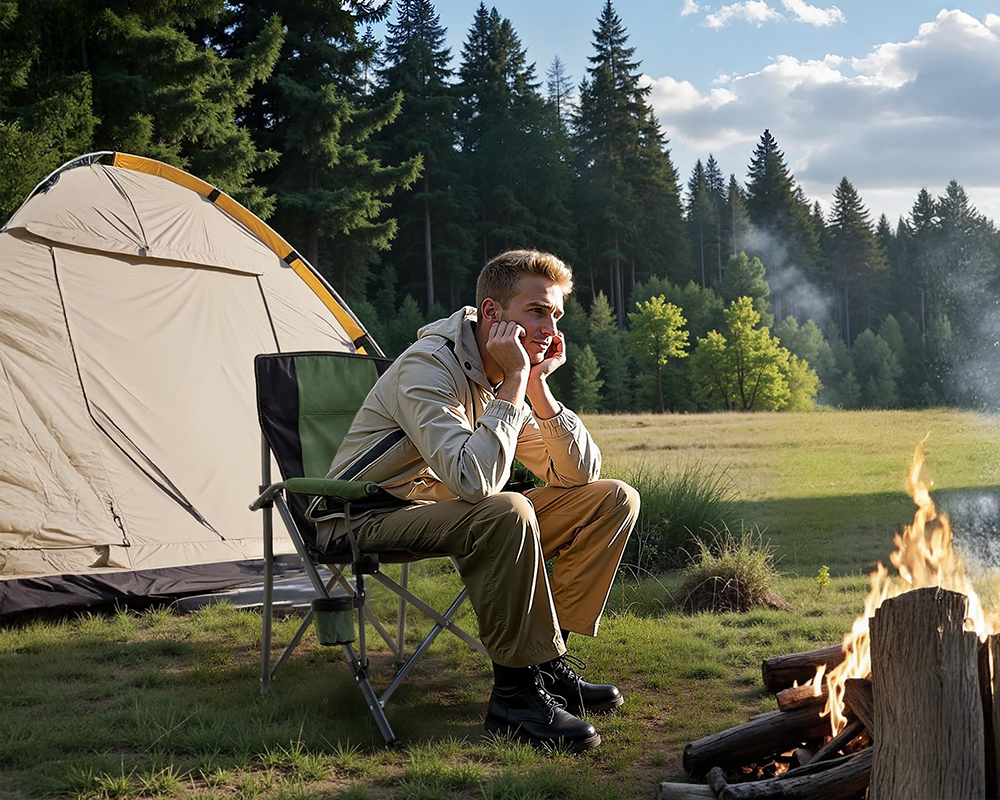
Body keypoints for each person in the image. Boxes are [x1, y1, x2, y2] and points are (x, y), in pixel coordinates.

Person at [321, 249, 640, 752]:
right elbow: (474, 481)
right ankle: (513, 699)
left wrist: (536, 386)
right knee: (505, 510)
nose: (549, 327)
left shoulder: (502, 375)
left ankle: (546, 668)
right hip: (363, 514)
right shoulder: (427, 368)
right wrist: (515, 382)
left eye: (555, 314)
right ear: (493, 314)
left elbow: (578, 474)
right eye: (536, 311)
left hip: (448, 514)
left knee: (612, 498)